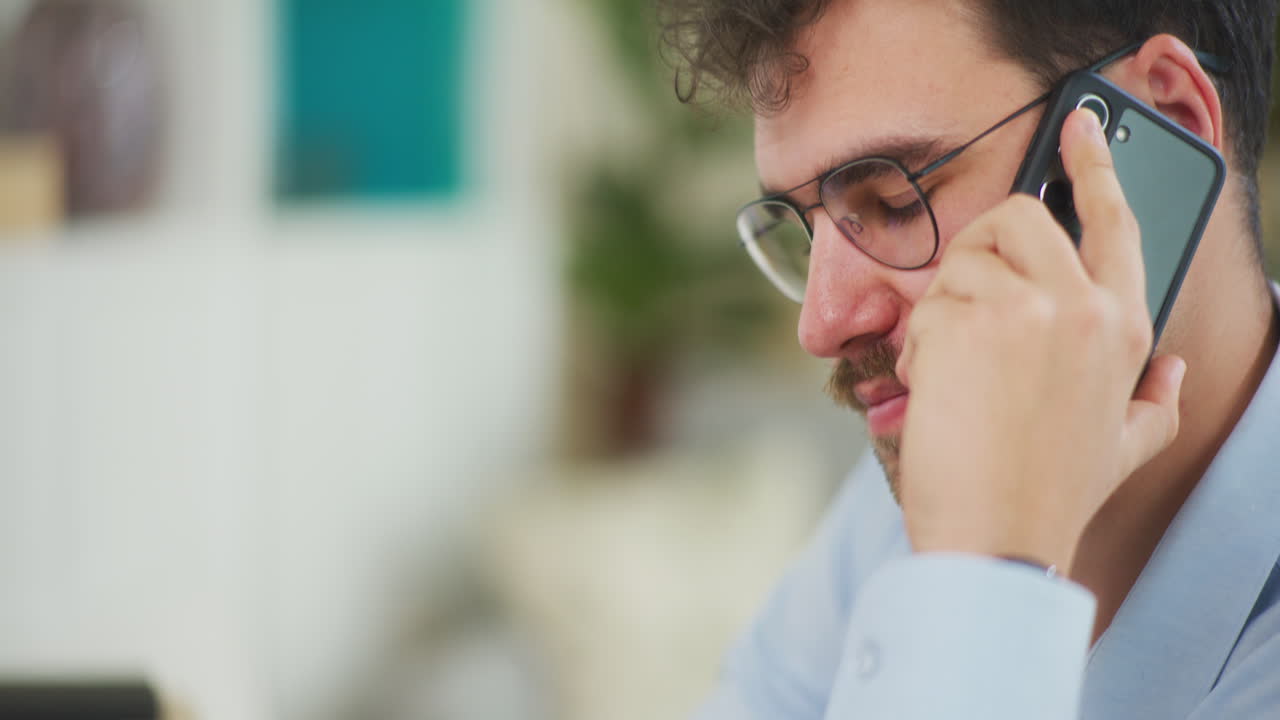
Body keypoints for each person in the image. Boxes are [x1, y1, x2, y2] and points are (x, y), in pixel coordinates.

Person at [657, 0, 1280, 717]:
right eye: (804, 231)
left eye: (895, 199)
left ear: (1166, 121)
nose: (821, 325)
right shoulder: (924, 463)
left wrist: (981, 581)